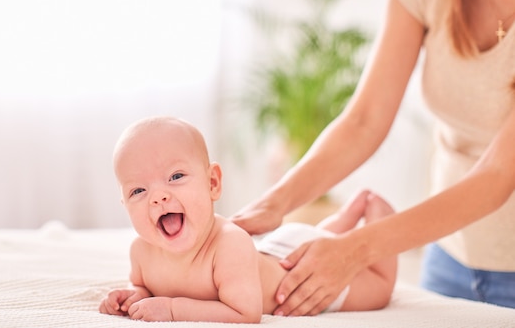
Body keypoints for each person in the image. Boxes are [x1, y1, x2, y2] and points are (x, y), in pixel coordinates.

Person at [231, 0, 515, 316]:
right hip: (450, 255)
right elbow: (365, 121)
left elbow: (497, 176)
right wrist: (273, 204)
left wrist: (355, 249)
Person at [98, 116, 397, 322]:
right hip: (281, 248)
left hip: (298, 272)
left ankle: (374, 210)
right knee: (318, 237)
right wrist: (130, 296)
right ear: (125, 203)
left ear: (212, 183)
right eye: (138, 190)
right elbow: (146, 288)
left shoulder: (228, 245)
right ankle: (346, 217)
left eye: (175, 177)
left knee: (378, 289)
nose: (158, 197)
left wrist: (173, 310)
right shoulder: (141, 251)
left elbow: (245, 313)